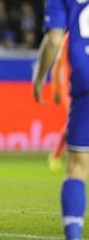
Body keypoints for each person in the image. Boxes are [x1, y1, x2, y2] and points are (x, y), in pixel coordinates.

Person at [33, 0, 89, 239]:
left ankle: (74, 235)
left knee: (78, 167)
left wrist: (39, 78)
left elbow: (54, 39)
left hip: (85, 83)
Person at [48, 33, 70, 173]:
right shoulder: (70, 37)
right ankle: (55, 155)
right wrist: (55, 89)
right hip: (70, 88)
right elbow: (57, 66)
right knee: (73, 121)